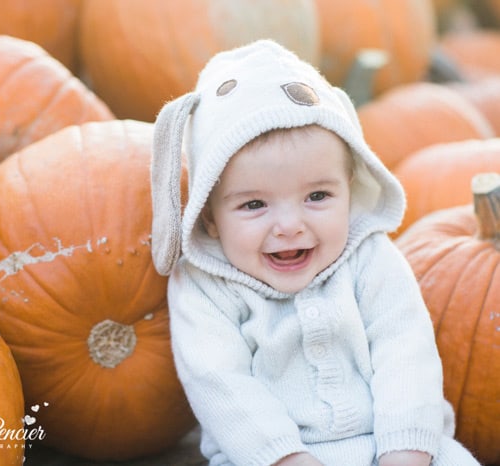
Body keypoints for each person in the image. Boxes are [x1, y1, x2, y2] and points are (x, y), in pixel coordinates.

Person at [150, 40, 480, 466]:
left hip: (395, 444)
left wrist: (406, 450)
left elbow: (405, 351)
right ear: (210, 218)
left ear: (351, 190)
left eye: (318, 196)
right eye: (254, 205)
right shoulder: (206, 287)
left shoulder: (370, 257)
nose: (289, 226)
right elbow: (220, 384)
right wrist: (287, 458)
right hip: (268, 458)